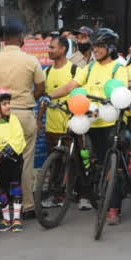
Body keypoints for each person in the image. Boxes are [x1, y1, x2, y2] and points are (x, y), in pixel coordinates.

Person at [50, 28, 129, 224]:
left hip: (110, 123)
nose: (95, 49)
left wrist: (102, 107)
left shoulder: (119, 68)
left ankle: (113, 209)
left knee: (111, 166)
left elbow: (118, 95)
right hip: (90, 121)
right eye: (94, 46)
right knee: (97, 163)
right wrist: (49, 96)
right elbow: (72, 85)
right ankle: (90, 191)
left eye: (100, 46)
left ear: (110, 47)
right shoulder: (91, 67)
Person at [0, 20, 45, 216]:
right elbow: (41, 88)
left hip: (1, 115)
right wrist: (26, 99)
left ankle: (3, 204)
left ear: (1, 39)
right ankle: (27, 206)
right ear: (20, 38)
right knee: (25, 162)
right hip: (24, 113)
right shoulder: (31, 60)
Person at [37, 36, 87, 209]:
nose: (49, 50)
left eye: (52, 47)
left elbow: (70, 88)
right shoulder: (46, 73)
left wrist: (50, 96)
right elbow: (43, 99)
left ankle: (83, 196)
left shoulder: (76, 70)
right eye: (49, 47)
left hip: (72, 125)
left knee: (77, 161)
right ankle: (55, 195)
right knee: (55, 164)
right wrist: (39, 121)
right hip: (52, 126)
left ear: (63, 49)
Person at [0, 88, 27, 232]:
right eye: (4, 104)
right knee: (2, 189)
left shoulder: (13, 120)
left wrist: (6, 150)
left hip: (14, 160)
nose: (8, 106)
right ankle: (6, 218)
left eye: (9, 103)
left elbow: (18, 138)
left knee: (15, 187)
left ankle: (17, 218)